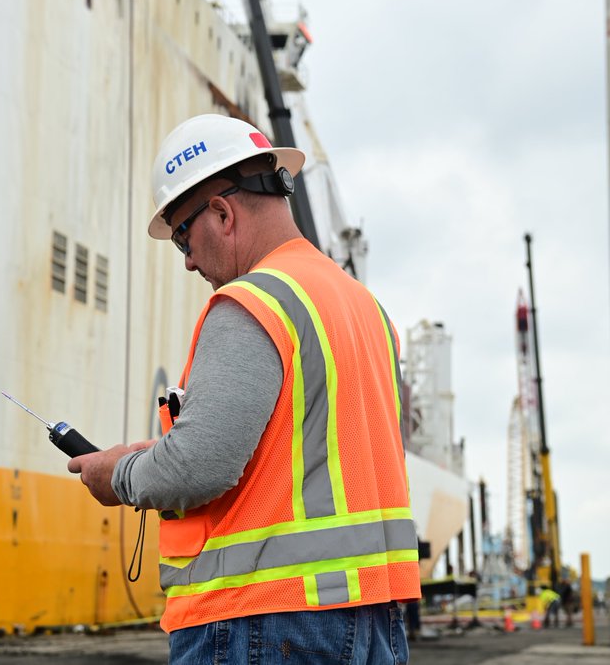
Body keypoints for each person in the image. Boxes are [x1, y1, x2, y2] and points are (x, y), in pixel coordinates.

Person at [68, 115, 421, 663]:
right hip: (373, 619)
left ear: (222, 213)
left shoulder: (254, 304)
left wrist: (115, 473)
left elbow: (199, 467)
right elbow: (306, 457)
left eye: (183, 235)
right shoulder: (365, 308)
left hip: (266, 621)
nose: (187, 260)